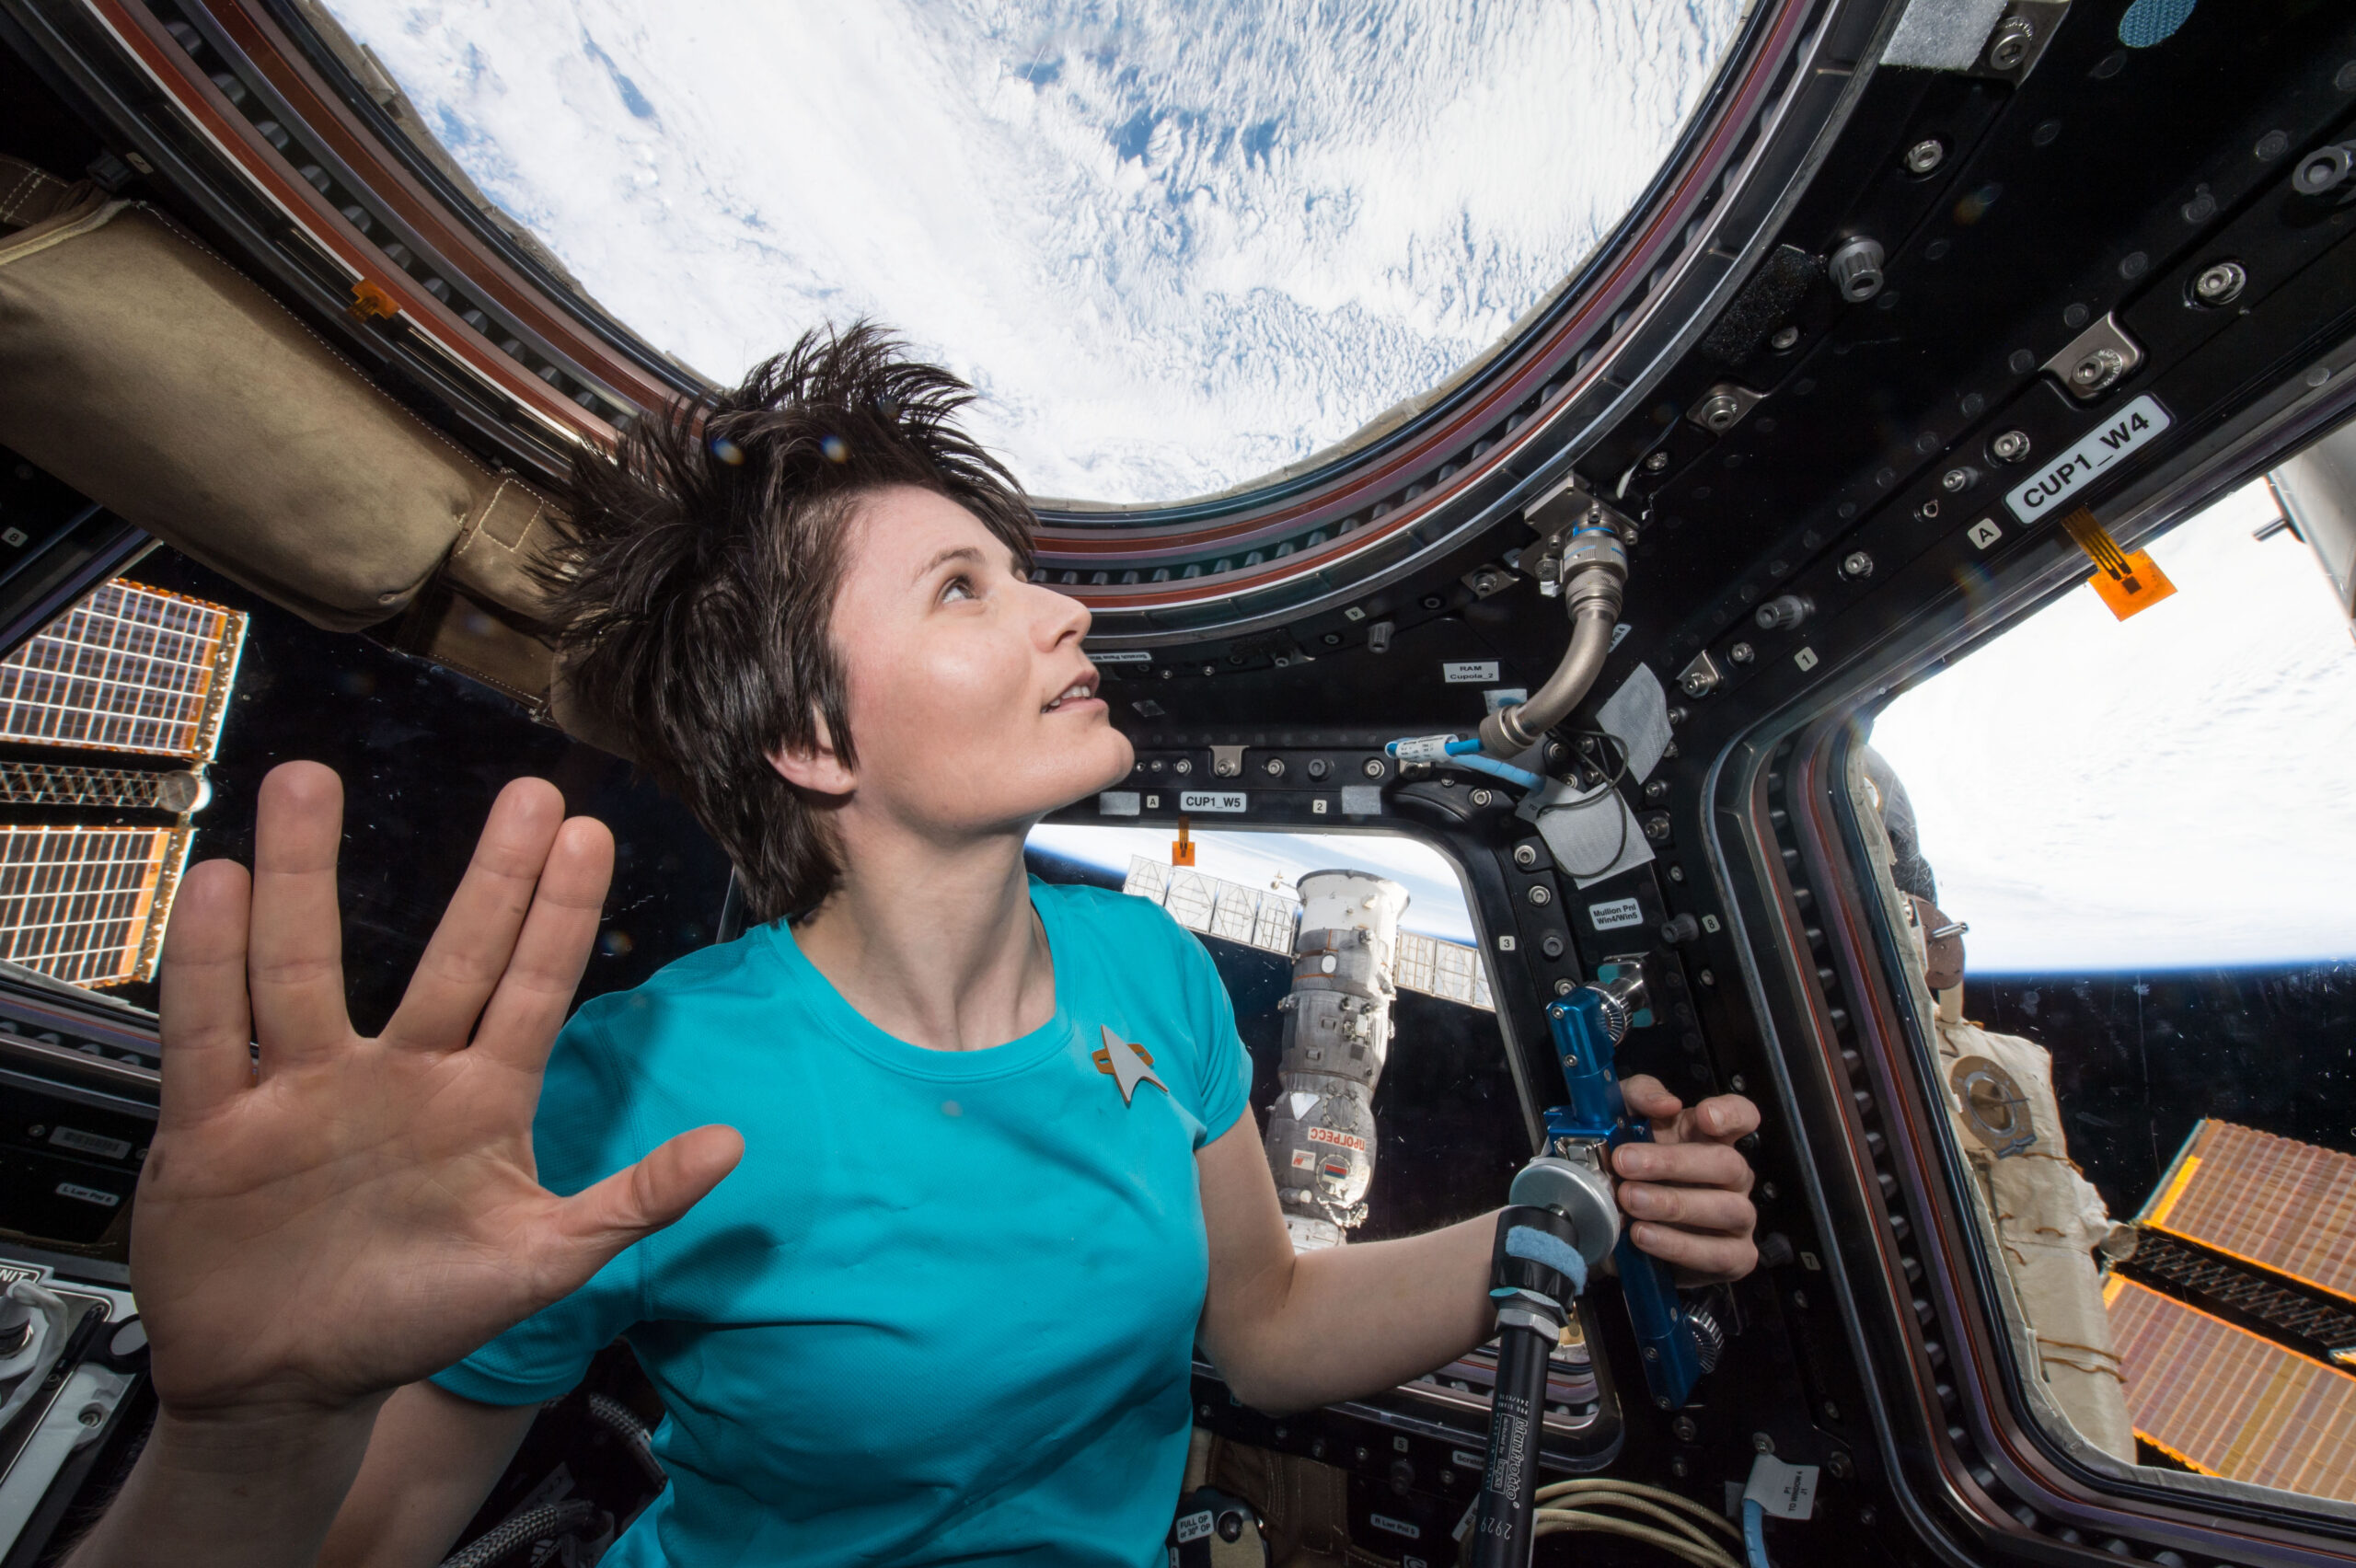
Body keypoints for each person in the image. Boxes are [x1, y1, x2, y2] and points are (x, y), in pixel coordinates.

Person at [65, 326, 1761, 1568]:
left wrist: (1564, 1220)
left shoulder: (1151, 977)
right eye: (964, 589)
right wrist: (244, 1444)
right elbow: (374, 1543)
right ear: (813, 738)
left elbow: (1265, 1331)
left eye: (1022, 575)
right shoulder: (637, 1082)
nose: (1062, 610)